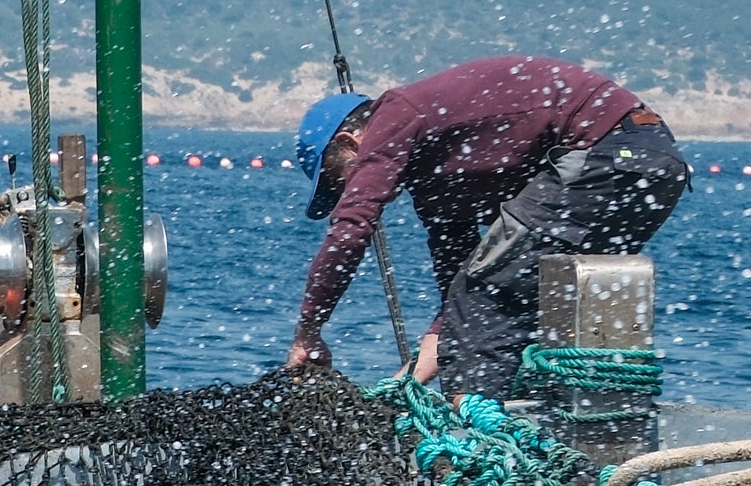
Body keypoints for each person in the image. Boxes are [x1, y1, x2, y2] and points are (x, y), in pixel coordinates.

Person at [287, 57, 690, 395]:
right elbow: (458, 298)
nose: (346, 191)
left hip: (609, 153)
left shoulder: (395, 114)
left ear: (352, 142)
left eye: (339, 180)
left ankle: (475, 450)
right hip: (651, 165)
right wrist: (405, 385)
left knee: (489, 296)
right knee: (515, 299)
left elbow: (351, 229)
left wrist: (308, 331)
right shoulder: (436, 183)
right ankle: (571, 437)